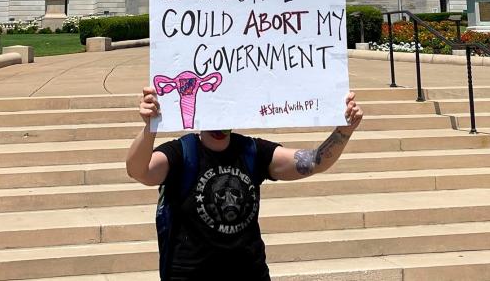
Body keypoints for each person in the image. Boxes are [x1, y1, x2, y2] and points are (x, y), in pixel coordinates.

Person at [126, 87, 364, 281]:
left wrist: (343, 131)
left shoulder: (252, 151)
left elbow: (314, 161)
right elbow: (139, 171)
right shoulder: (181, 153)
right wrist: (149, 128)